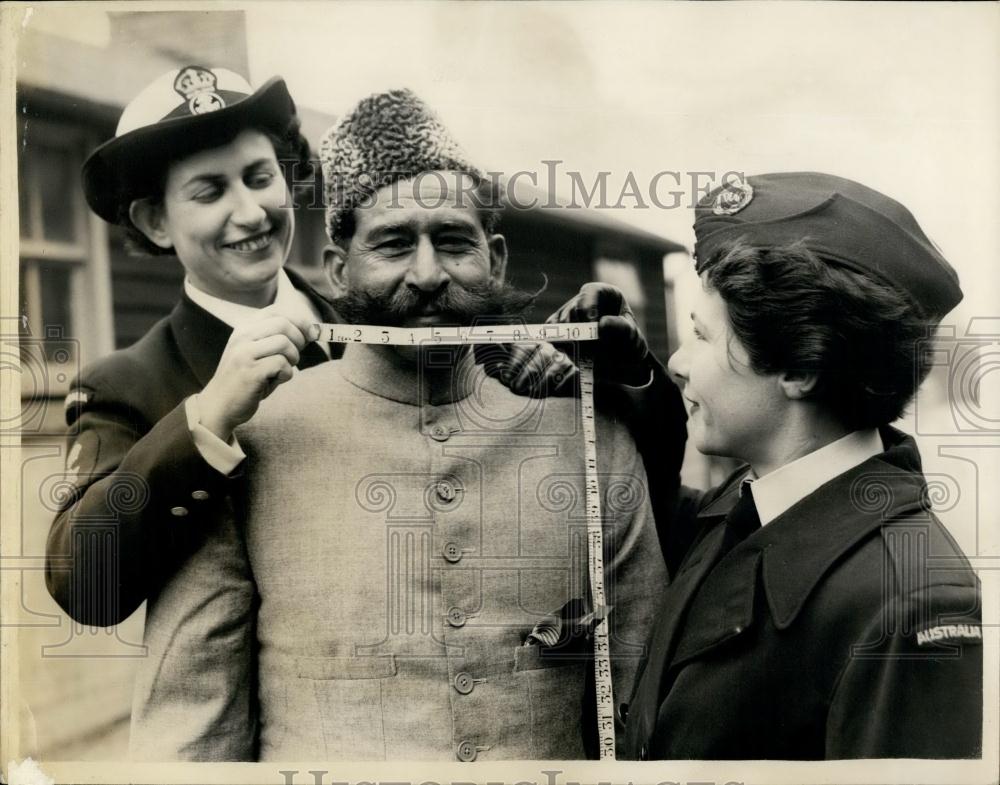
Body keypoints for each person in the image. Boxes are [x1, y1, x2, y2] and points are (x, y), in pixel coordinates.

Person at [127, 89, 668, 762]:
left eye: (452, 241)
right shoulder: (248, 442)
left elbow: (647, 714)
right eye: (391, 244)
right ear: (338, 269)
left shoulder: (593, 443)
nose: (428, 273)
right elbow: (190, 735)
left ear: (495, 260)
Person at [556, 172, 983, 759]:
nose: (678, 362)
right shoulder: (753, 502)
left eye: (701, 337)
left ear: (800, 368)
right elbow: (664, 528)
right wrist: (637, 382)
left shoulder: (909, 599)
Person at [44, 66, 350, 628]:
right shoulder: (123, 384)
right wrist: (206, 419)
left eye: (260, 177)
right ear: (156, 222)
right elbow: (83, 587)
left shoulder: (364, 330)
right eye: (210, 192)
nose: (251, 212)